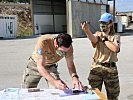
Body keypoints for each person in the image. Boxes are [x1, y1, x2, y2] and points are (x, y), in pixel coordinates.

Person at [81, 13, 120, 100]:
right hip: (97, 66)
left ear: (110, 23)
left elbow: (115, 49)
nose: (102, 25)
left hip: (110, 69)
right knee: (93, 94)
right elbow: (93, 39)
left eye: (105, 22)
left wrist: (104, 38)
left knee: (113, 96)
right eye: (101, 22)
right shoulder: (98, 35)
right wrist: (87, 30)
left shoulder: (115, 36)